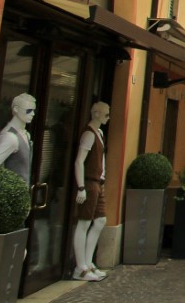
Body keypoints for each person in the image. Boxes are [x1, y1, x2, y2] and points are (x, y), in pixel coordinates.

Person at [72, 102, 110, 283]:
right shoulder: (88, 134)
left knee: (100, 220)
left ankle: (88, 262)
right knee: (84, 223)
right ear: (95, 113)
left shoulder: (100, 134)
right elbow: (79, 162)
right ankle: (81, 268)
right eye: (106, 114)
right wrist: (80, 187)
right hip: (89, 182)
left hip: (97, 183)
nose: (108, 117)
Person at [0, 93, 37, 186]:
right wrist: (7, 189)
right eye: (29, 110)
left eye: (33, 110)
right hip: (14, 196)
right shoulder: (10, 137)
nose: (33, 114)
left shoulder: (25, 134)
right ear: (16, 109)